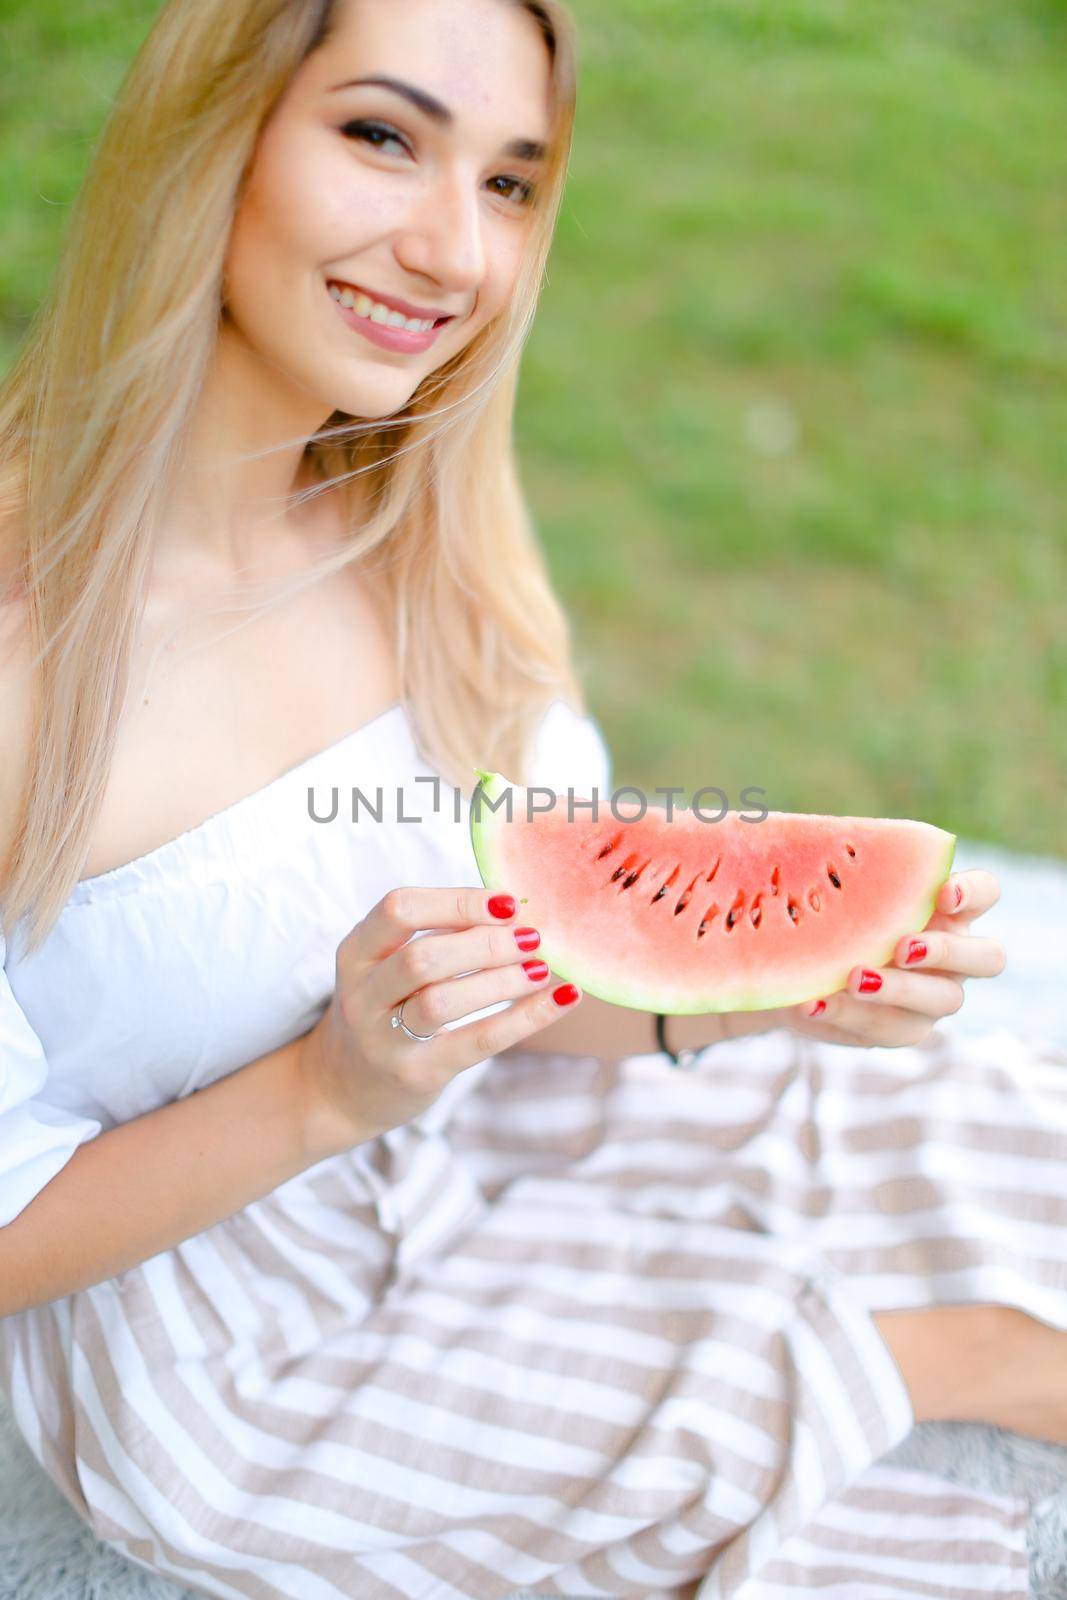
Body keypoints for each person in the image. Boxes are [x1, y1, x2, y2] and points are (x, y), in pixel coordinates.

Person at [0, 1, 1065, 1596]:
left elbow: (513, 960)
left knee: (1009, 1134)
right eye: (382, 136)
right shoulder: (28, 671)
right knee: (954, 1349)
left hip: (487, 1129)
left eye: (510, 181)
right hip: (233, 1342)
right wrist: (329, 1098)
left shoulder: (416, 532)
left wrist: (746, 993)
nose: (453, 252)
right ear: (210, 135)